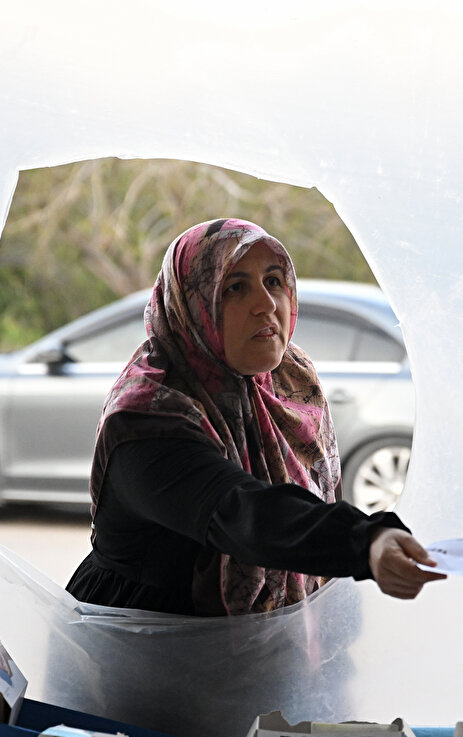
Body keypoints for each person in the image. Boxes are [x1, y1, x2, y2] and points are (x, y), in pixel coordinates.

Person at [67, 218, 443, 616]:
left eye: (274, 281)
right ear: (194, 304)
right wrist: (365, 541)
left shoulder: (288, 378)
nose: (265, 304)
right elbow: (244, 513)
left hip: (260, 649)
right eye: (235, 288)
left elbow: (318, 498)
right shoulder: (148, 419)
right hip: (142, 649)